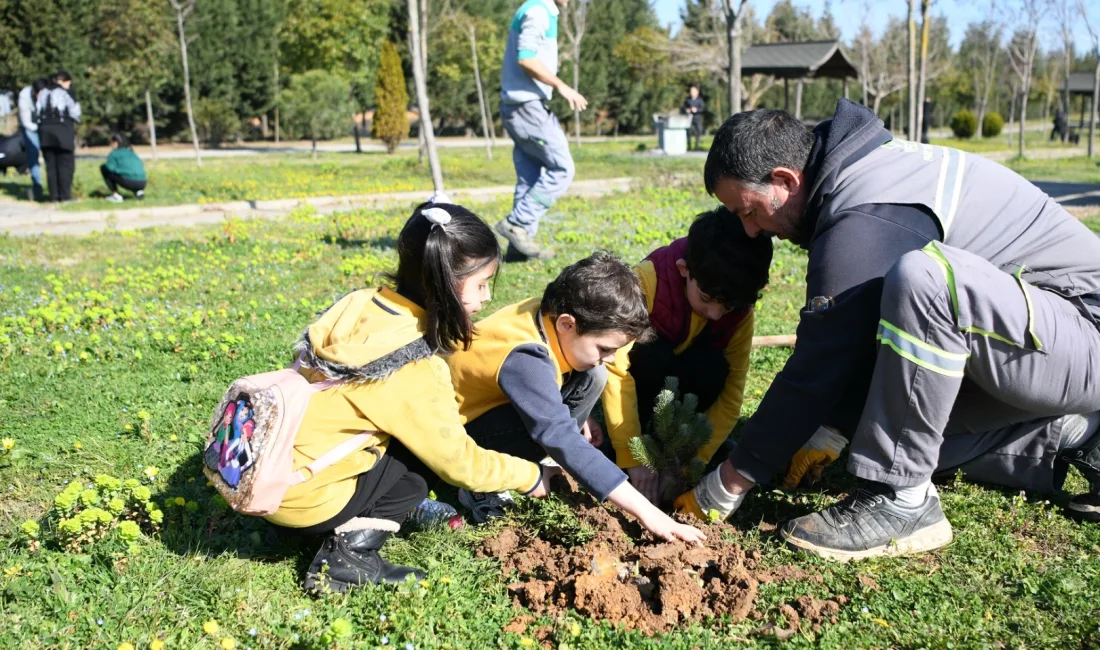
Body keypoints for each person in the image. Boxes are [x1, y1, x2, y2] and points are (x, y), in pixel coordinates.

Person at [676, 100, 1100, 561]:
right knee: (894, 436)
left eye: (748, 212)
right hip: (1034, 347)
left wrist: (730, 481)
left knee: (926, 281)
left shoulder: (866, 213)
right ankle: (1075, 434)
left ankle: (903, 502)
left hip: (1083, 331)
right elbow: (858, 339)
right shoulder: (852, 173)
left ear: (785, 180)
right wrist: (828, 431)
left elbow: (822, 362)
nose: (751, 230)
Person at [270, 201, 559, 593]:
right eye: (480, 284)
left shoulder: (362, 301)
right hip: (303, 496)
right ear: (443, 283)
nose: (487, 297)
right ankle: (348, 560)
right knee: (421, 459)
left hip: (270, 462)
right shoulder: (413, 365)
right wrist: (533, 476)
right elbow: (461, 465)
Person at [443, 251, 706, 545]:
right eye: (604, 349)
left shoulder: (546, 317)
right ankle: (482, 488)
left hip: (491, 406)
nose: (609, 358)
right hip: (459, 434)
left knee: (595, 375)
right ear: (567, 324)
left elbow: (549, 380)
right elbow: (557, 433)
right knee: (558, 432)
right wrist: (650, 514)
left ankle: (540, 463)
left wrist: (582, 415)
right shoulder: (524, 357)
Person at [602, 209, 772, 503]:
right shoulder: (646, 282)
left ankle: (684, 441)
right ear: (684, 269)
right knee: (650, 352)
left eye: (728, 306)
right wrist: (631, 454)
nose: (716, 313)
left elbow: (732, 392)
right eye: (706, 299)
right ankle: (632, 437)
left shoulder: (739, 313)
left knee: (715, 368)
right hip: (644, 381)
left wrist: (695, 458)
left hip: (686, 394)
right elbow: (615, 370)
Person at [495, 0, 586, 261]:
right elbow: (526, 57)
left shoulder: (538, 10)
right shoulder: (537, 12)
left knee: (529, 176)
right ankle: (517, 224)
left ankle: (518, 247)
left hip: (517, 105)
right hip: (527, 106)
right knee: (562, 168)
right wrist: (561, 85)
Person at [36, 71, 81, 203]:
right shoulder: (66, 93)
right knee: (65, 165)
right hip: (62, 132)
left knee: (51, 166)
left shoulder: (42, 92)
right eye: (68, 82)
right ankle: (65, 196)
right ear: (62, 81)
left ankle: (54, 196)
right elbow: (76, 112)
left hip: (45, 133)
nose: (70, 84)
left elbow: (37, 112)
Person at [17, 78, 47, 201]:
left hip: (43, 124)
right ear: (35, 92)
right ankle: (37, 186)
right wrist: (40, 128)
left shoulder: (47, 94)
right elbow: (26, 122)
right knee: (33, 154)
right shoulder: (24, 96)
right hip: (30, 127)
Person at [101, 133, 146, 202]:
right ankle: (138, 191)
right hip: (143, 182)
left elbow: (110, 168)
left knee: (104, 168)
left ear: (115, 143)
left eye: (111, 142)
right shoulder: (131, 152)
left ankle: (116, 195)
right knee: (130, 174)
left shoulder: (114, 153)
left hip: (129, 182)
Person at [682, 85, 705, 151]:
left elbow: (702, 109)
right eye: (691, 91)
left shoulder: (700, 100)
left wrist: (696, 110)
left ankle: (696, 146)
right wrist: (687, 110)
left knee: (698, 132)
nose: (691, 92)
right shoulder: (687, 99)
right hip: (689, 118)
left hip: (697, 118)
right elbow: (684, 108)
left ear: (697, 92)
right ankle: (689, 146)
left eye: (693, 91)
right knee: (688, 132)